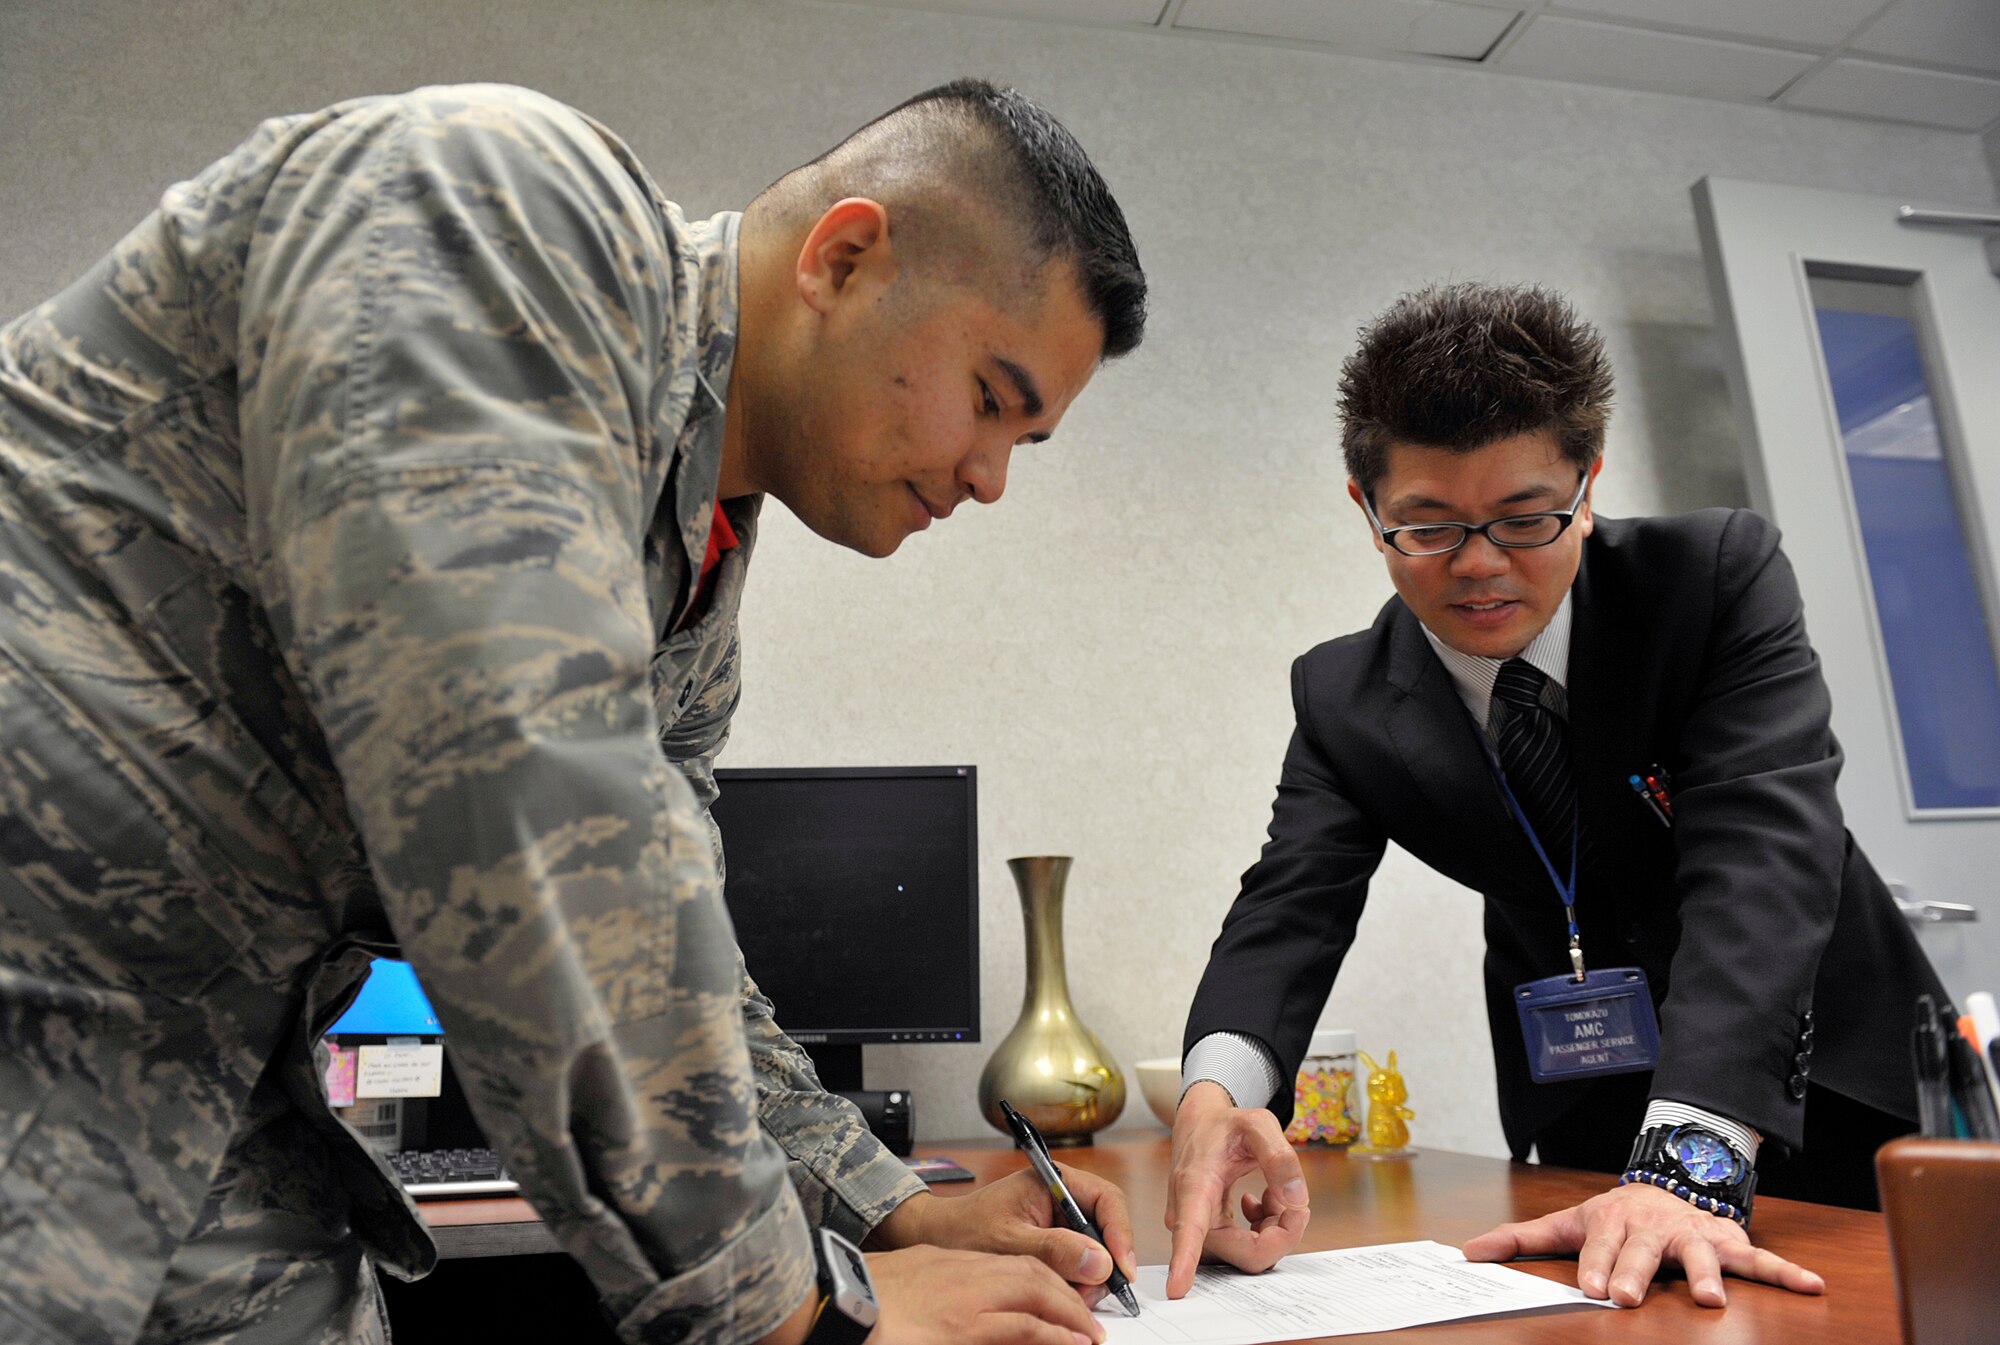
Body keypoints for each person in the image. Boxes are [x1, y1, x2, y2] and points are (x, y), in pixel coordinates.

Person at [0, 79, 1145, 1345]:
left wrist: (887, 1210)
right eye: (991, 398)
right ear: (845, 257)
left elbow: (678, 951)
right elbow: (524, 812)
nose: (988, 480)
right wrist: (811, 1317)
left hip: (187, 1070)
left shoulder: (691, 586)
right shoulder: (504, 208)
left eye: (1024, 444)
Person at [1168, 282, 1946, 1311]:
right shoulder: (1339, 694)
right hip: (1583, 1114)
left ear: (1585, 484)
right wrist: (1214, 1098)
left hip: (1823, 1082)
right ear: (1366, 511)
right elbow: (1288, 904)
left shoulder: (1710, 580)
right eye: (1428, 527)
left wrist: (1682, 1167)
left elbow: (1762, 856)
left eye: (1524, 517)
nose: (1481, 565)